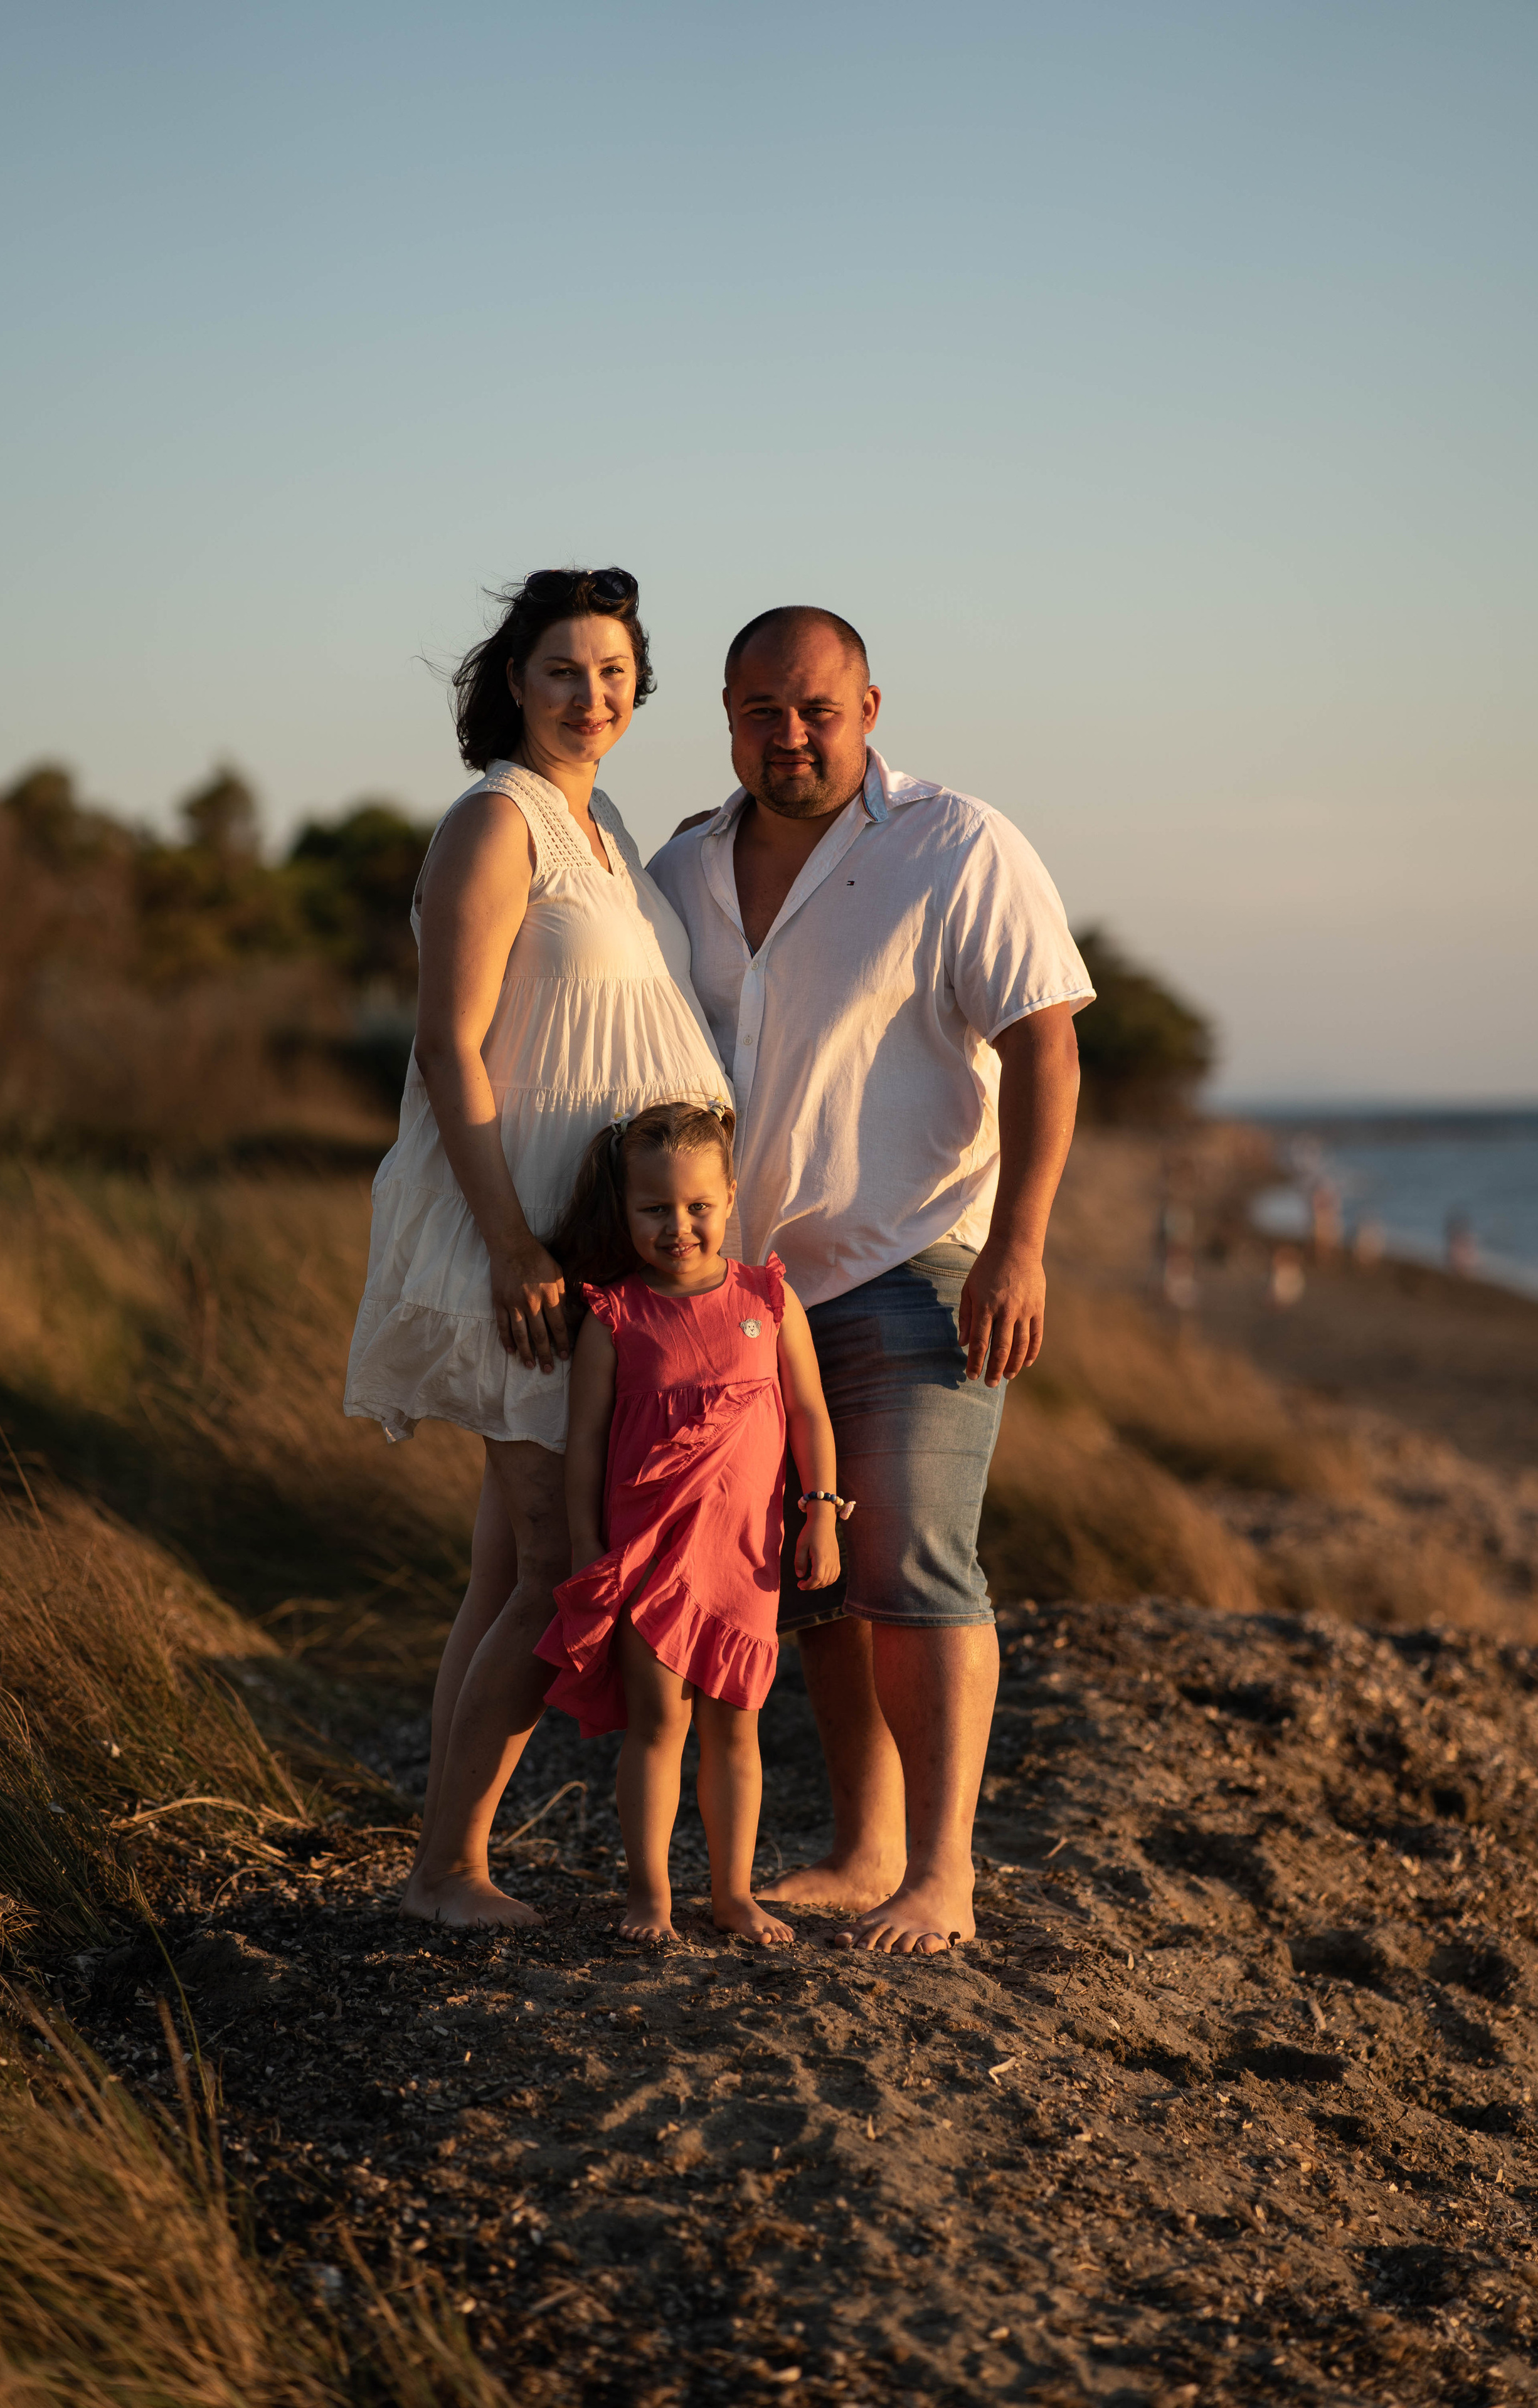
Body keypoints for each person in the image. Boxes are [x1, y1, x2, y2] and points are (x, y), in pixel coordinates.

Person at [649, 606, 1092, 1956]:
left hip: (914, 1267)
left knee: (913, 1569)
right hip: (748, 1299)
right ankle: (861, 1850)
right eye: (758, 711)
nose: (787, 735)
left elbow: (1046, 1048)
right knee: (814, 1584)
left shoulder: (953, 845)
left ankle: (941, 1878)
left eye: (815, 709)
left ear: (869, 707)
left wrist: (1018, 1247)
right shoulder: (683, 866)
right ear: (726, 716)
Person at [345, 568, 730, 1928]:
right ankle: (447, 1871)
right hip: (527, 1250)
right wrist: (512, 1246)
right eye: (564, 671)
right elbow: (449, 1044)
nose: (592, 697)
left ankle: (438, 1861)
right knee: (551, 1566)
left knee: (505, 1570)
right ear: (513, 679)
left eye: (616, 675)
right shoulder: (492, 821)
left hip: (610, 1246)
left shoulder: (607, 826)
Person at [536, 1100, 842, 1946]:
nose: (679, 1226)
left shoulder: (768, 1301)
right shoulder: (614, 1317)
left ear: (730, 1196)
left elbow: (812, 1416)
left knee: (736, 1731)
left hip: (746, 1558)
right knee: (658, 1725)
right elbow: (586, 1448)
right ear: (626, 1211)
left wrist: (821, 1514)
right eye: (655, 1210)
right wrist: (587, 1548)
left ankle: (734, 1894)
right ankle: (650, 1895)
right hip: (649, 1556)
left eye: (699, 1207)